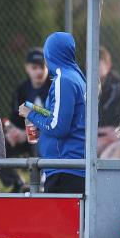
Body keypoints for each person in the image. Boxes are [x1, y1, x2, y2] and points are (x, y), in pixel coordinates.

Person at [18, 32, 86, 194]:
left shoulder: (64, 80)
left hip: (65, 170)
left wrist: (30, 114)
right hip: (69, 168)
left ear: (50, 54)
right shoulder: (77, 77)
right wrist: (37, 110)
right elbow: (60, 115)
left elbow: (58, 127)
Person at [0, 48, 52, 192]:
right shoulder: (21, 90)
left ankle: (40, 186)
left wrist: (28, 133)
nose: (39, 72)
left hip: (46, 137)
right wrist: (12, 130)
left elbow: (54, 120)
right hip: (25, 135)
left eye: (42, 67)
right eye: (34, 68)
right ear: (27, 68)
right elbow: (15, 118)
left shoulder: (53, 88)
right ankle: (18, 184)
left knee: (34, 139)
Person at [96, 47, 120, 156]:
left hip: (113, 134)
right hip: (96, 132)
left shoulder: (118, 86)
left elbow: (111, 119)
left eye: (98, 64)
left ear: (108, 65)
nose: (93, 68)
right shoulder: (86, 84)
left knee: (95, 147)